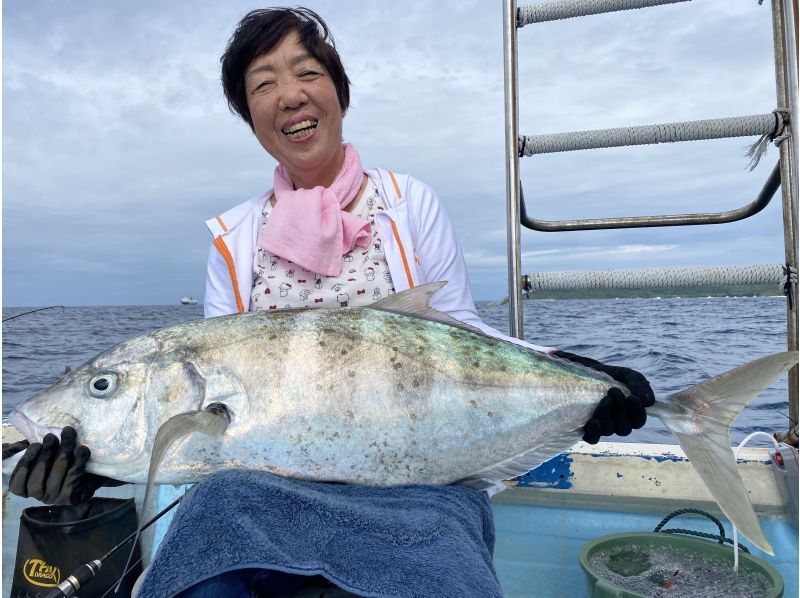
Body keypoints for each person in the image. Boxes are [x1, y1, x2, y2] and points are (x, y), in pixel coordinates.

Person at [5, 8, 654, 597]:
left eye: (305, 72)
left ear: (338, 92)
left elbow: (456, 334)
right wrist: (100, 470)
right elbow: (206, 443)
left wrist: (575, 374)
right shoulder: (235, 241)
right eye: (262, 84)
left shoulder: (409, 202)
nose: (288, 95)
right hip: (255, 501)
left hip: (419, 485)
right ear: (249, 114)